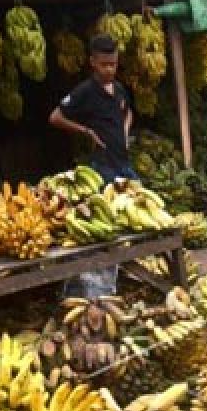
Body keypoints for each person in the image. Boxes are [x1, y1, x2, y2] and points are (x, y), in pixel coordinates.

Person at [49, 34, 135, 297]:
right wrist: (85, 131)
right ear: (93, 63)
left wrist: (125, 130)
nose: (110, 69)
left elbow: (127, 111)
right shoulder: (84, 92)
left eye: (114, 64)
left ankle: (129, 274)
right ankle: (100, 285)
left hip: (123, 163)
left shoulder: (119, 90)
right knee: (108, 225)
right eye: (104, 64)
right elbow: (55, 117)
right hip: (102, 167)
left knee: (136, 215)